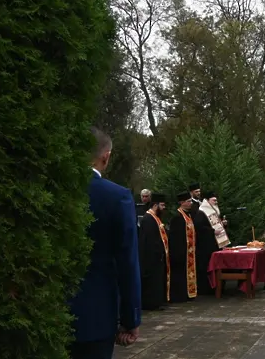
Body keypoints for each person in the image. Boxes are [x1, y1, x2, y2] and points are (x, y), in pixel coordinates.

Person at [68, 127, 141, 359]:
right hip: (95, 315)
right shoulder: (116, 196)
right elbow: (127, 262)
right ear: (106, 157)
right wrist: (131, 319)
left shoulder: (47, 190)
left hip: (42, 310)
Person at [138, 193, 170, 310]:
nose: (164, 208)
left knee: (156, 279)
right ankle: (151, 304)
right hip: (151, 256)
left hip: (157, 256)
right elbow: (150, 240)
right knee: (152, 280)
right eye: (162, 205)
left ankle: (157, 302)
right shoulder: (148, 219)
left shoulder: (155, 218)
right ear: (155, 205)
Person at [195, 191, 229, 295]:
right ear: (208, 201)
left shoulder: (214, 211)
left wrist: (223, 224)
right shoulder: (201, 211)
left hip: (216, 243)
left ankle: (218, 286)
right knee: (207, 266)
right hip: (206, 245)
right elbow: (199, 227)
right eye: (214, 200)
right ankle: (207, 289)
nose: (216, 202)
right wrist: (213, 231)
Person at [169, 191, 198, 302]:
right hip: (181, 252)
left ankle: (188, 293)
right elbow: (175, 237)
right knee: (180, 274)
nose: (191, 203)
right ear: (182, 202)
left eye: (191, 201)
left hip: (189, 251)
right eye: (188, 201)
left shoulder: (188, 215)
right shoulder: (177, 217)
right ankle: (180, 295)